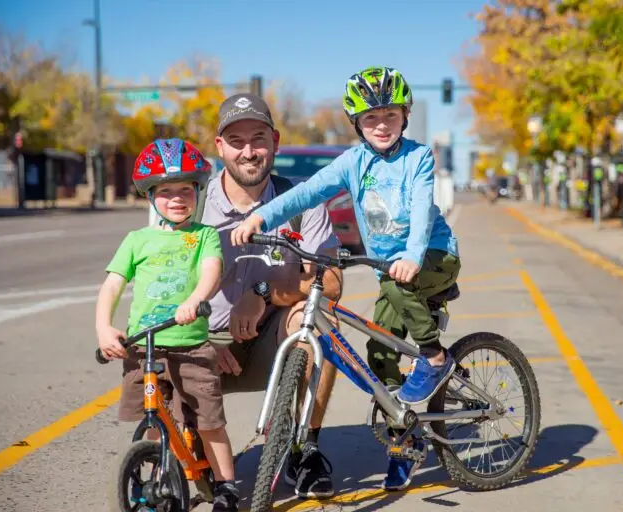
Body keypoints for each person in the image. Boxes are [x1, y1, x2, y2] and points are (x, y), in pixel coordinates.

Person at [230, 66, 461, 491]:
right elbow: (306, 192)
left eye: (390, 116)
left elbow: (423, 212)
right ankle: (404, 443)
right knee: (380, 353)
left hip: (431, 257)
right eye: (370, 118)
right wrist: (261, 215)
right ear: (357, 123)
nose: (381, 125)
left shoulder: (418, 157)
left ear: (405, 116)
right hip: (391, 270)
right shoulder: (352, 162)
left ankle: (433, 357)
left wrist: (410, 256)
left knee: (396, 284)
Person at [201, 92, 342, 499]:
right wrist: (198, 338)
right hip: (205, 344)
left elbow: (330, 283)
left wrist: (263, 292)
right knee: (154, 344)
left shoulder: (302, 203)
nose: (249, 151)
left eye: (258, 138)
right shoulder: (193, 206)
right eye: (237, 140)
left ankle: (305, 449)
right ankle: (188, 447)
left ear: (275, 141)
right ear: (220, 147)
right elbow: (163, 287)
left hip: (272, 340)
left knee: (318, 322)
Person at [96, 139, 239, 511]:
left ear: (197, 192)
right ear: (150, 196)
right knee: (148, 416)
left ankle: (226, 485)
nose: (176, 198)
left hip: (190, 345)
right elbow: (112, 284)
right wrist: (104, 327)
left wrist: (195, 300)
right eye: (165, 191)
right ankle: (157, 460)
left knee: (208, 420)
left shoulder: (204, 236)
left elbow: (211, 271)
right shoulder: (136, 240)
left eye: (185, 190)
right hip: (142, 346)